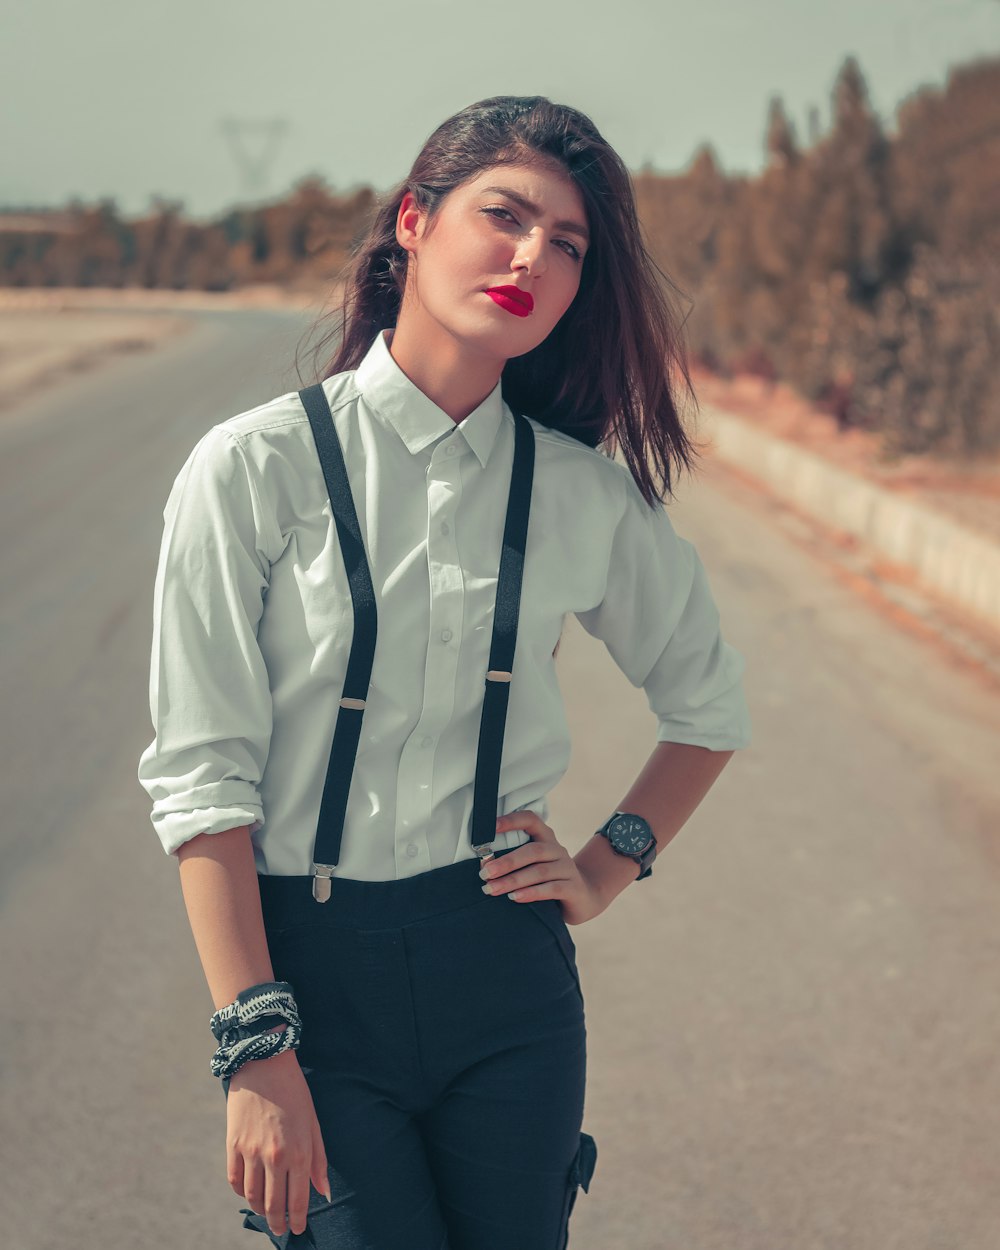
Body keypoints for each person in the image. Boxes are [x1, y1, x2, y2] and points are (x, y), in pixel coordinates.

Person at [137, 94, 752, 1250]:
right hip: (312, 983)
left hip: (507, 984)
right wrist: (253, 1044)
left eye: (567, 245)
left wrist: (607, 863)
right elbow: (203, 777)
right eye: (504, 215)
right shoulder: (253, 468)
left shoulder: (583, 494)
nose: (531, 256)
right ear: (413, 222)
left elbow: (707, 704)